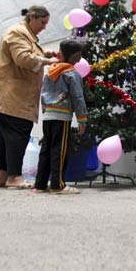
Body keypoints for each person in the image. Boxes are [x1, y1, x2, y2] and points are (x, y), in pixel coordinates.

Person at [0, 5, 58, 189]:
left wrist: (44, 53)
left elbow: (28, 52)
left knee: (5, 137)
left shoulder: (25, 34)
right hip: (12, 95)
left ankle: (2, 176)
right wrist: (47, 61)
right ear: (32, 17)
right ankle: (14, 177)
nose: (44, 27)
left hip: (11, 95)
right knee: (18, 134)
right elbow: (23, 58)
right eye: (42, 22)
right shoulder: (18, 32)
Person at [34, 40, 87, 194]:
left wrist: (46, 110)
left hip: (48, 116)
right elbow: (77, 97)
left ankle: (40, 184)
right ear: (75, 56)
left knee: (46, 149)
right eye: (79, 55)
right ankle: (58, 185)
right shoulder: (72, 73)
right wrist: (82, 119)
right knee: (60, 150)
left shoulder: (51, 71)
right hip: (62, 117)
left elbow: (43, 92)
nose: (80, 58)